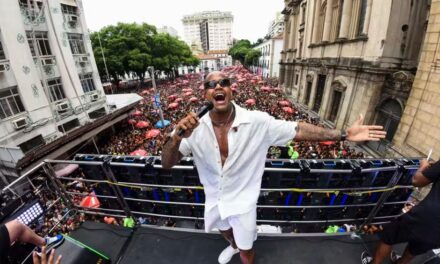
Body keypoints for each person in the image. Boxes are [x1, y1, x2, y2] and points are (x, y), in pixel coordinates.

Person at [161, 71, 386, 264]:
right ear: (205, 95)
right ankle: (233, 244)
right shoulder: (192, 128)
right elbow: (166, 162)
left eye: (224, 83)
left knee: (247, 249)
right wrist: (177, 138)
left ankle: (244, 250)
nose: (218, 86)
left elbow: (297, 129)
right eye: (211, 85)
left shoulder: (257, 122)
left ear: (231, 91)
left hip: (243, 203)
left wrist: (343, 134)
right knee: (224, 231)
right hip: (214, 199)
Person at [361, 158, 440, 264]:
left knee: (388, 236)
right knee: (415, 250)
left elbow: (417, 181)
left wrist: (423, 165)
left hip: (428, 215)